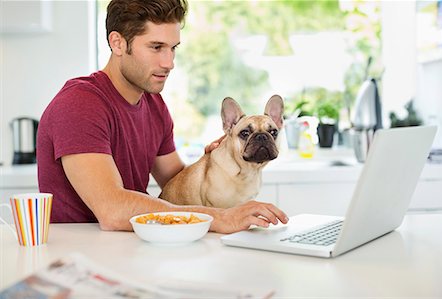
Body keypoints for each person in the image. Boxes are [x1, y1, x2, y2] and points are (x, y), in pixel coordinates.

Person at [37, 0, 288, 233]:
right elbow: (112, 210)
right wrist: (218, 218)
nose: (169, 63)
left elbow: (175, 183)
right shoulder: (79, 104)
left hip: (134, 246)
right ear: (117, 43)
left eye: (173, 48)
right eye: (156, 47)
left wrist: (213, 162)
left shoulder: (154, 104)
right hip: (81, 255)